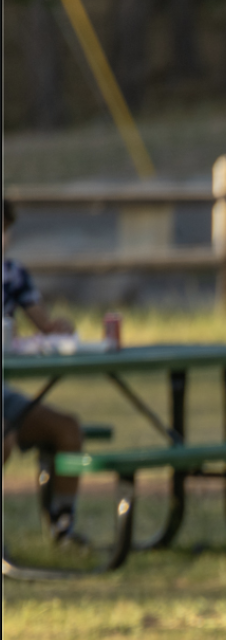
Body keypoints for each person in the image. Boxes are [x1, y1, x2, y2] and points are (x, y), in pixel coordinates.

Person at [2, 199, 89, 545]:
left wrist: (57, 330)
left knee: (68, 431)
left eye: (5, 230)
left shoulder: (14, 274)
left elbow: (44, 324)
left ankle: (62, 529)